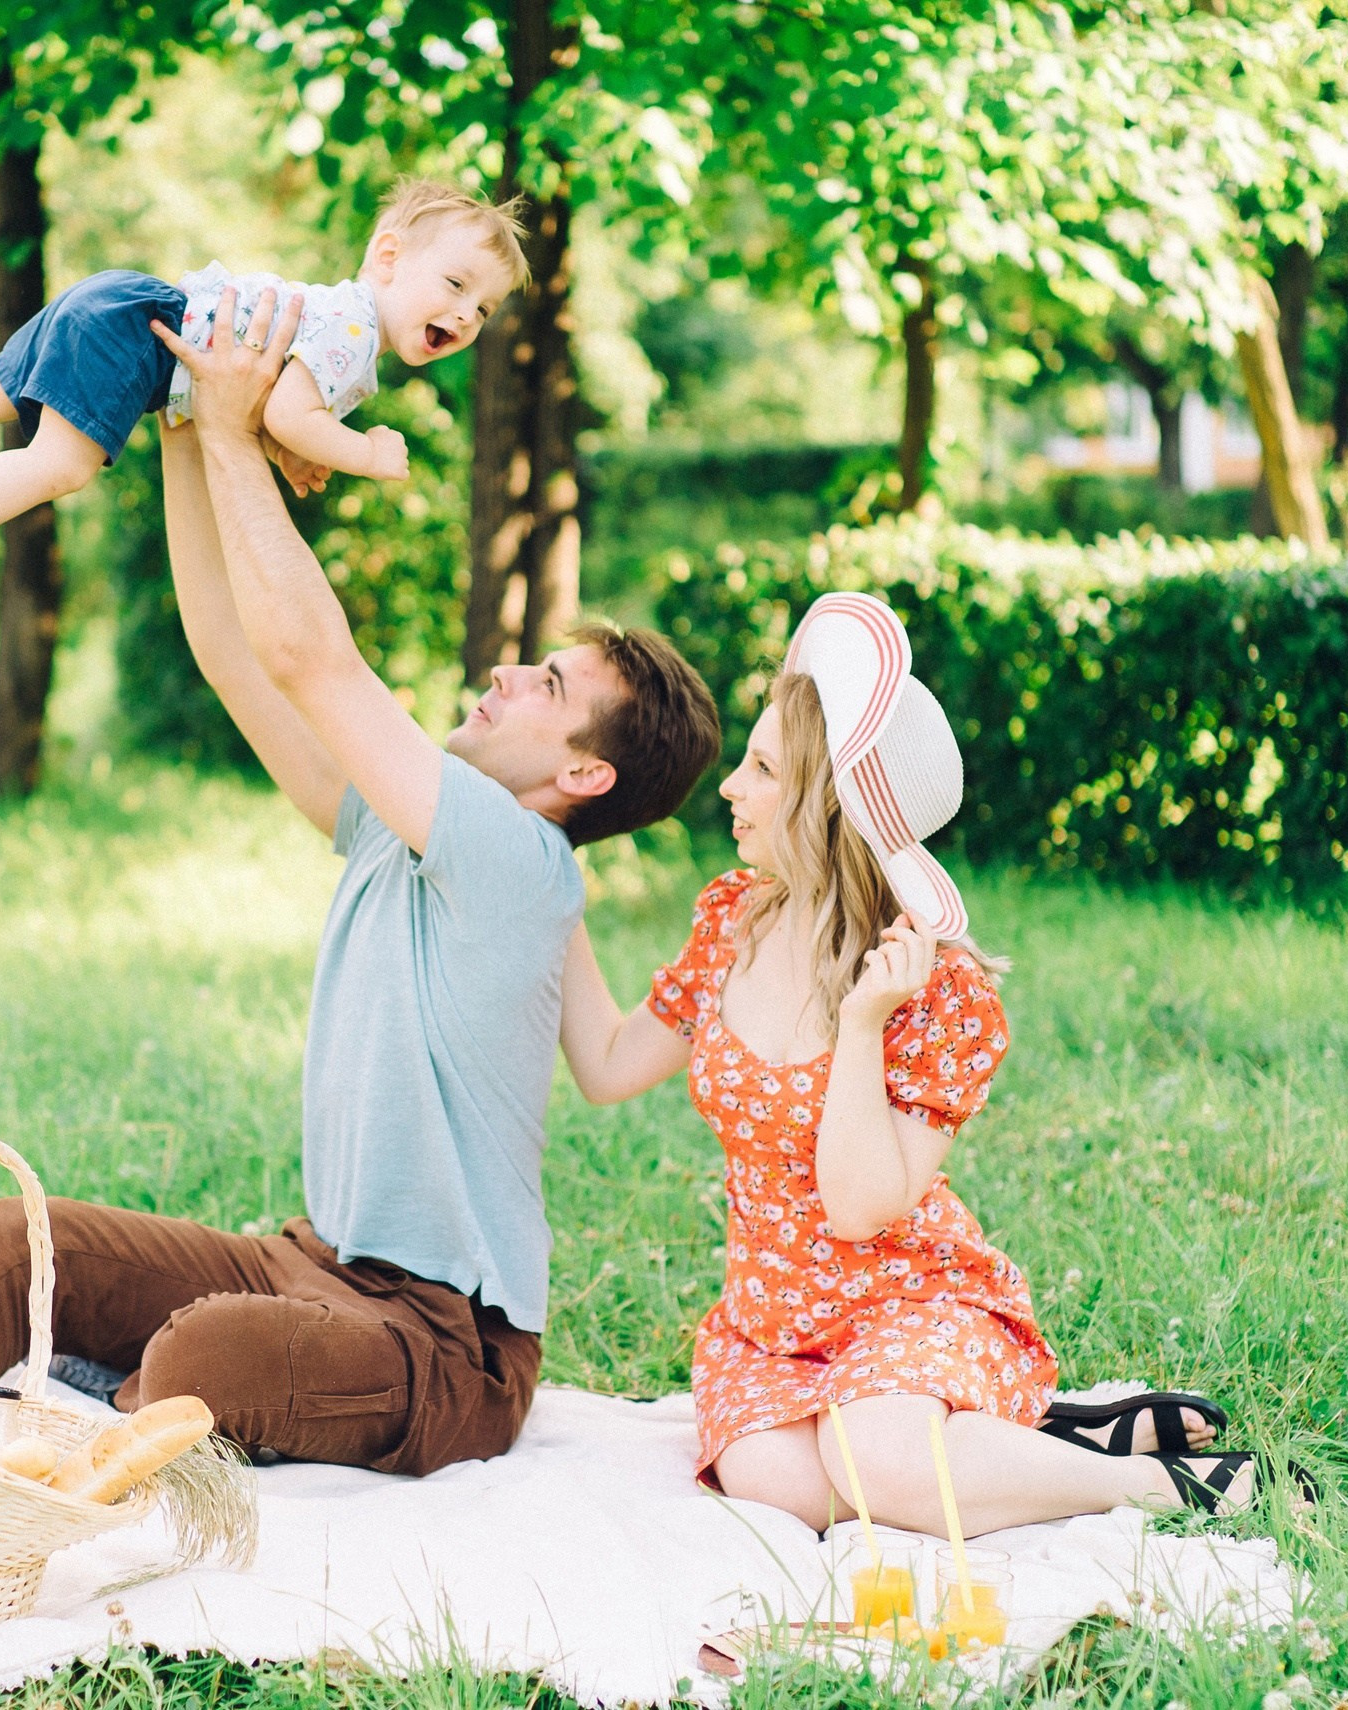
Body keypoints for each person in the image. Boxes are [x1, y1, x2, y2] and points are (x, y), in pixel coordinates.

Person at [0, 287, 722, 1478]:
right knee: (18, 1247)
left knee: (211, 1357)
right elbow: (235, 653)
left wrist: (240, 424)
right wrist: (188, 431)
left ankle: (56, 1402)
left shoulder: (517, 861)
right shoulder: (400, 829)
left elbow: (311, 654)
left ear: (581, 771)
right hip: (313, 1264)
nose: (509, 674)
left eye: (549, 688)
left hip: (446, 1344)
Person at [554, 592, 1302, 1529]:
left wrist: (862, 1025)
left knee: (879, 1465)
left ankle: (1155, 1484)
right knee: (781, 1487)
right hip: (774, 1324)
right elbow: (609, 1065)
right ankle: (1044, 1440)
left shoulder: (933, 990)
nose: (732, 789)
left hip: (908, 1297)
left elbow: (861, 1207)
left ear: (829, 803)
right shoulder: (732, 920)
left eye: (761, 769)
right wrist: (548, 865)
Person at [0, 179, 526, 639]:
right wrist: (363, 452)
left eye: (483, 308)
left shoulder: (341, 320)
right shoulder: (355, 331)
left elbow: (270, 406)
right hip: (143, 340)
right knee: (61, 464)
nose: (465, 316)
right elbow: (287, 415)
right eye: (457, 284)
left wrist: (294, 449)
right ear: (390, 256)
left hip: (127, 301)